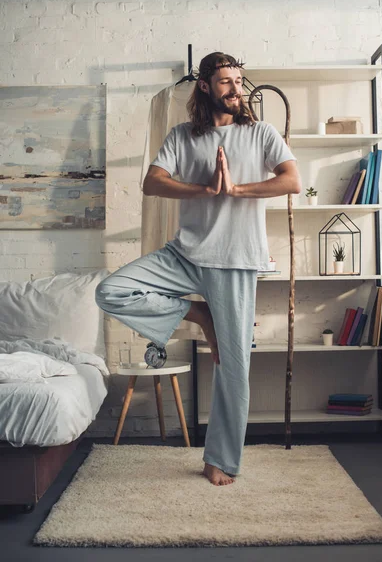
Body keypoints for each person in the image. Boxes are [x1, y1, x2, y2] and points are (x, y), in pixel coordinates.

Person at [95, 52, 301, 486]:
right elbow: (152, 182)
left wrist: (236, 189)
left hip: (235, 260)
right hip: (185, 254)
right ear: (205, 86)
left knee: (232, 364)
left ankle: (220, 459)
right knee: (111, 290)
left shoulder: (259, 133)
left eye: (239, 80)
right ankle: (197, 314)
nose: (236, 89)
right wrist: (206, 188)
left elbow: (290, 180)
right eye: (226, 82)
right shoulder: (182, 135)